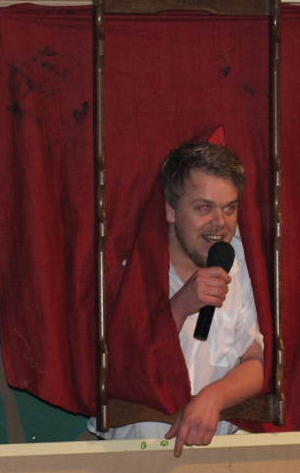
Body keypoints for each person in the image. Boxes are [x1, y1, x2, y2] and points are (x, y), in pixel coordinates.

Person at [93, 141, 264, 456]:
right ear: (170, 210)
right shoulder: (131, 266)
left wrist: (213, 397)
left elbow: (255, 360)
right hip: (138, 451)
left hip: (220, 450)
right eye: (204, 208)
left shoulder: (241, 261)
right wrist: (179, 306)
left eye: (229, 208)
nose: (220, 222)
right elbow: (123, 367)